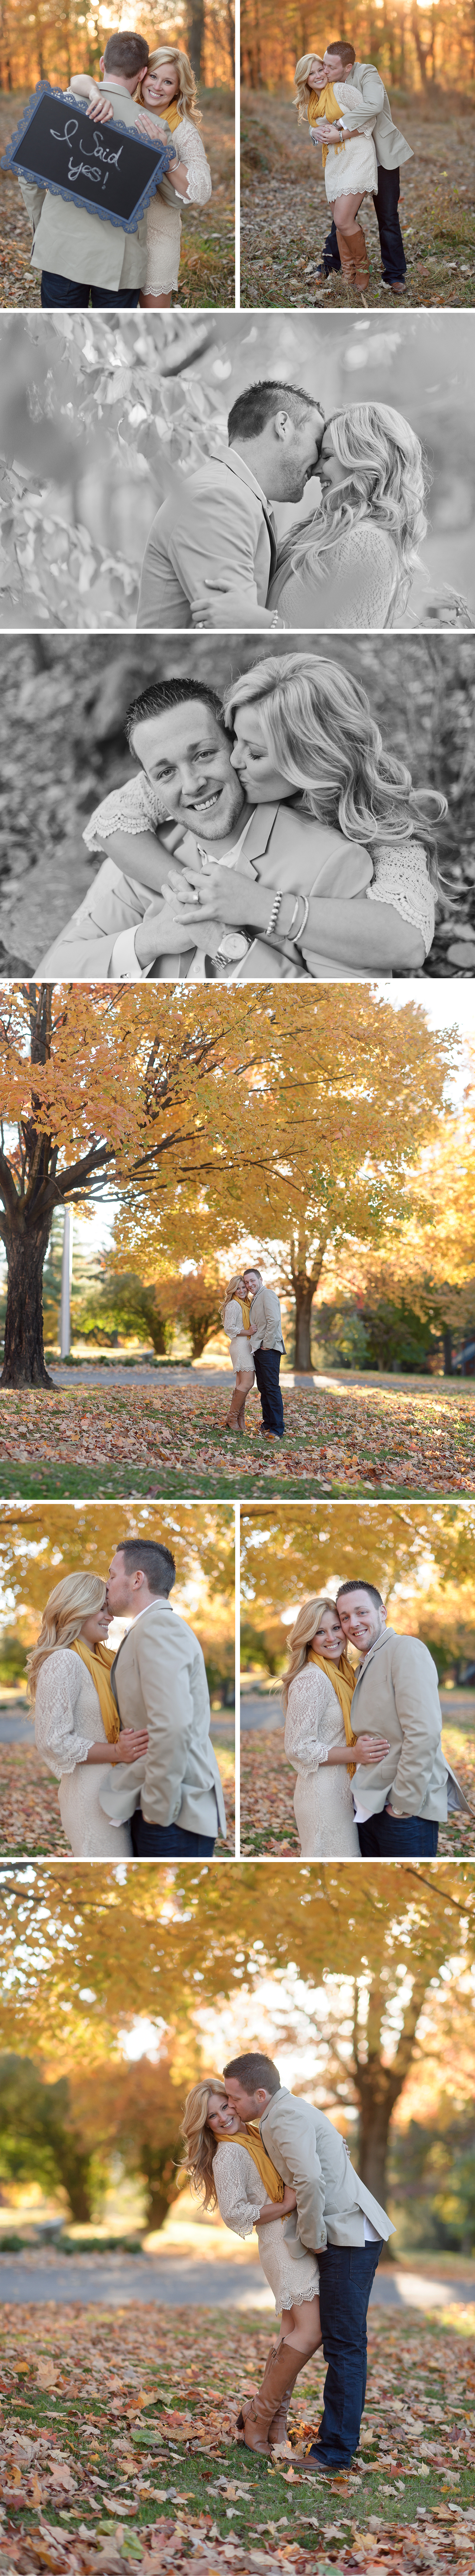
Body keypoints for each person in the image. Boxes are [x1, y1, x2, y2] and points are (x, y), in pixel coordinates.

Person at [35, 675, 380, 984]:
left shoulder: (329, 863)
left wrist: (224, 942)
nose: (192, 785)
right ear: (150, 787)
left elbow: (347, 1018)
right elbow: (58, 968)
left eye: (203, 754)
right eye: (166, 773)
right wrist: (151, 939)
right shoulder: (158, 853)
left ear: (235, 746)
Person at [222, 2053, 394, 2475]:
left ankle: (334, 2451)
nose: (232, 2107)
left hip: (346, 2236)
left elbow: (310, 2180)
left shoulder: (282, 2119)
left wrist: (313, 2238)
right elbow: (326, 2155)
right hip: (347, 2232)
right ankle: (277, 2422)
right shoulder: (287, 2112)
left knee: (345, 2345)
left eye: (235, 2098)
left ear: (260, 2094)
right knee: (339, 2341)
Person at [181, 2079, 322, 2454]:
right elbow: (235, 2214)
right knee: (311, 2330)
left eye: (225, 2106)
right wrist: (286, 2205)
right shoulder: (229, 2154)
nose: (223, 2118)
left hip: (295, 2238)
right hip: (280, 2245)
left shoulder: (258, 2135)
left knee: (290, 2331)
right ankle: (259, 2414)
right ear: (205, 2125)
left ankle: (275, 2422)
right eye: (212, 2116)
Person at [136, 378, 324, 627]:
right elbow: (238, 632)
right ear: (282, 426)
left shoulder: (235, 494)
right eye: (318, 445)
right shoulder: (219, 498)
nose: (319, 466)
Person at [98, 1537, 227, 1859]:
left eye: (112, 1575)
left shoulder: (159, 1628)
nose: (107, 1584)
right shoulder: (149, 1627)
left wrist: (157, 1808)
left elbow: (172, 1725)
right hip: (163, 1807)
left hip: (172, 1814)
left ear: (137, 1579)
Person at [18, 32, 156, 309]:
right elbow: (175, 199)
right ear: (142, 74)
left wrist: (44, 224)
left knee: (62, 334)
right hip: (119, 263)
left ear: (103, 63)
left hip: (61, 248)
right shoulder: (154, 128)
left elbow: (28, 176)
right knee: (113, 337)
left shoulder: (61, 105)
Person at [74, 46, 211, 308]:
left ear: (178, 89)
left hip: (158, 238)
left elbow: (202, 192)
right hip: (117, 236)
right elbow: (78, 82)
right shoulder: (121, 110)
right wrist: (94, 92)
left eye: (168, 82)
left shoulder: (183, 130)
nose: (157, 87)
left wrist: (167, 156)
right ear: (142, 76)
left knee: (152, 319)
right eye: (154, 77)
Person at [28, 1574, 148, 1857]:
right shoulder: (64, 1660)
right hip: (90, 1799)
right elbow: (53, 1741)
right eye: (101, 1608)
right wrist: (117, 1751)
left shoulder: (107, 1661)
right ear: (77, 1608)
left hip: (119, 1792)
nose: (110, 1617)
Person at [335, 1580, 449, 1859]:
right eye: (345, 1617)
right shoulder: (363, 1665)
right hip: (369, 1806)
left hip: (403, 1812)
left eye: (361, 1612)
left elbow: (424, 1731)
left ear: (382, 1612)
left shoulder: (405, 1649)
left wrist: (402, 1805)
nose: (353, 1623)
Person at [283, 1597, 390, 1858]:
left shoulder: (345, 1673)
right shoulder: (312, 1679)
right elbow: (299, 1748)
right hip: (323, 1798)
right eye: (320, 1632)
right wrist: (355, 1753)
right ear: (308, 1638)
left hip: (345, 1791)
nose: (331, 1638)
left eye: (335, 1628)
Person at [312, 39, 412, 295]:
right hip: (351, 159)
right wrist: (316, 132)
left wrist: (339, 127)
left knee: (388, 217)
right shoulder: (327, 84)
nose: (325, 71)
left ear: (348, 67)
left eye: (331, 67)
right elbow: (317, 118)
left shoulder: (367, 73)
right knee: (342, 217)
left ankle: (395, 275)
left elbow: (373, 106)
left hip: (381, 156)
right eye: (324, 65)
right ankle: (332, 264)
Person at [296, 52, 377, 292]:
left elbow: (369, 121)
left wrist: (340, 135)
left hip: (357, 155)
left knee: (343, 220)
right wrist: (313, 133)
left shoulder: (342, 91)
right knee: (341, 223)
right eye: (311, 73)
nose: (318, 75)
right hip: (334, 162)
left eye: (320, 69)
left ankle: (363, 271)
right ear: (305, 79)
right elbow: (319, 130)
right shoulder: (312, 102)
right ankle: (348, 273)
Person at [242, 1267, 285, 1440]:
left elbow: (273, 1320)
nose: (250, 1284)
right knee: (264, 1388)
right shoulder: (255, 1298)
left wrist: (266, 1345)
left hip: (269, 1349)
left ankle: (277, 1428)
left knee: (272, 1388)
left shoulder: (268, 1294)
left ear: (260, 1280)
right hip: (258, 1349)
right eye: (247, 1282)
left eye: (252, 1280)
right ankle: (267, 1424)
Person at [221, 1275, 255, 1432]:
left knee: (241, 1385)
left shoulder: (247, 1303)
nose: (242, 1291)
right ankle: (232, 1418)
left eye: (243, 1287)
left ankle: (240, 1420)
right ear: (233, 1290)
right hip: (240, 1346)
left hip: (246, 1345)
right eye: (238, 1288)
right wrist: (248, 1332)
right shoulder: (234, 1305)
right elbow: (229, 1328)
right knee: (248, 1383)